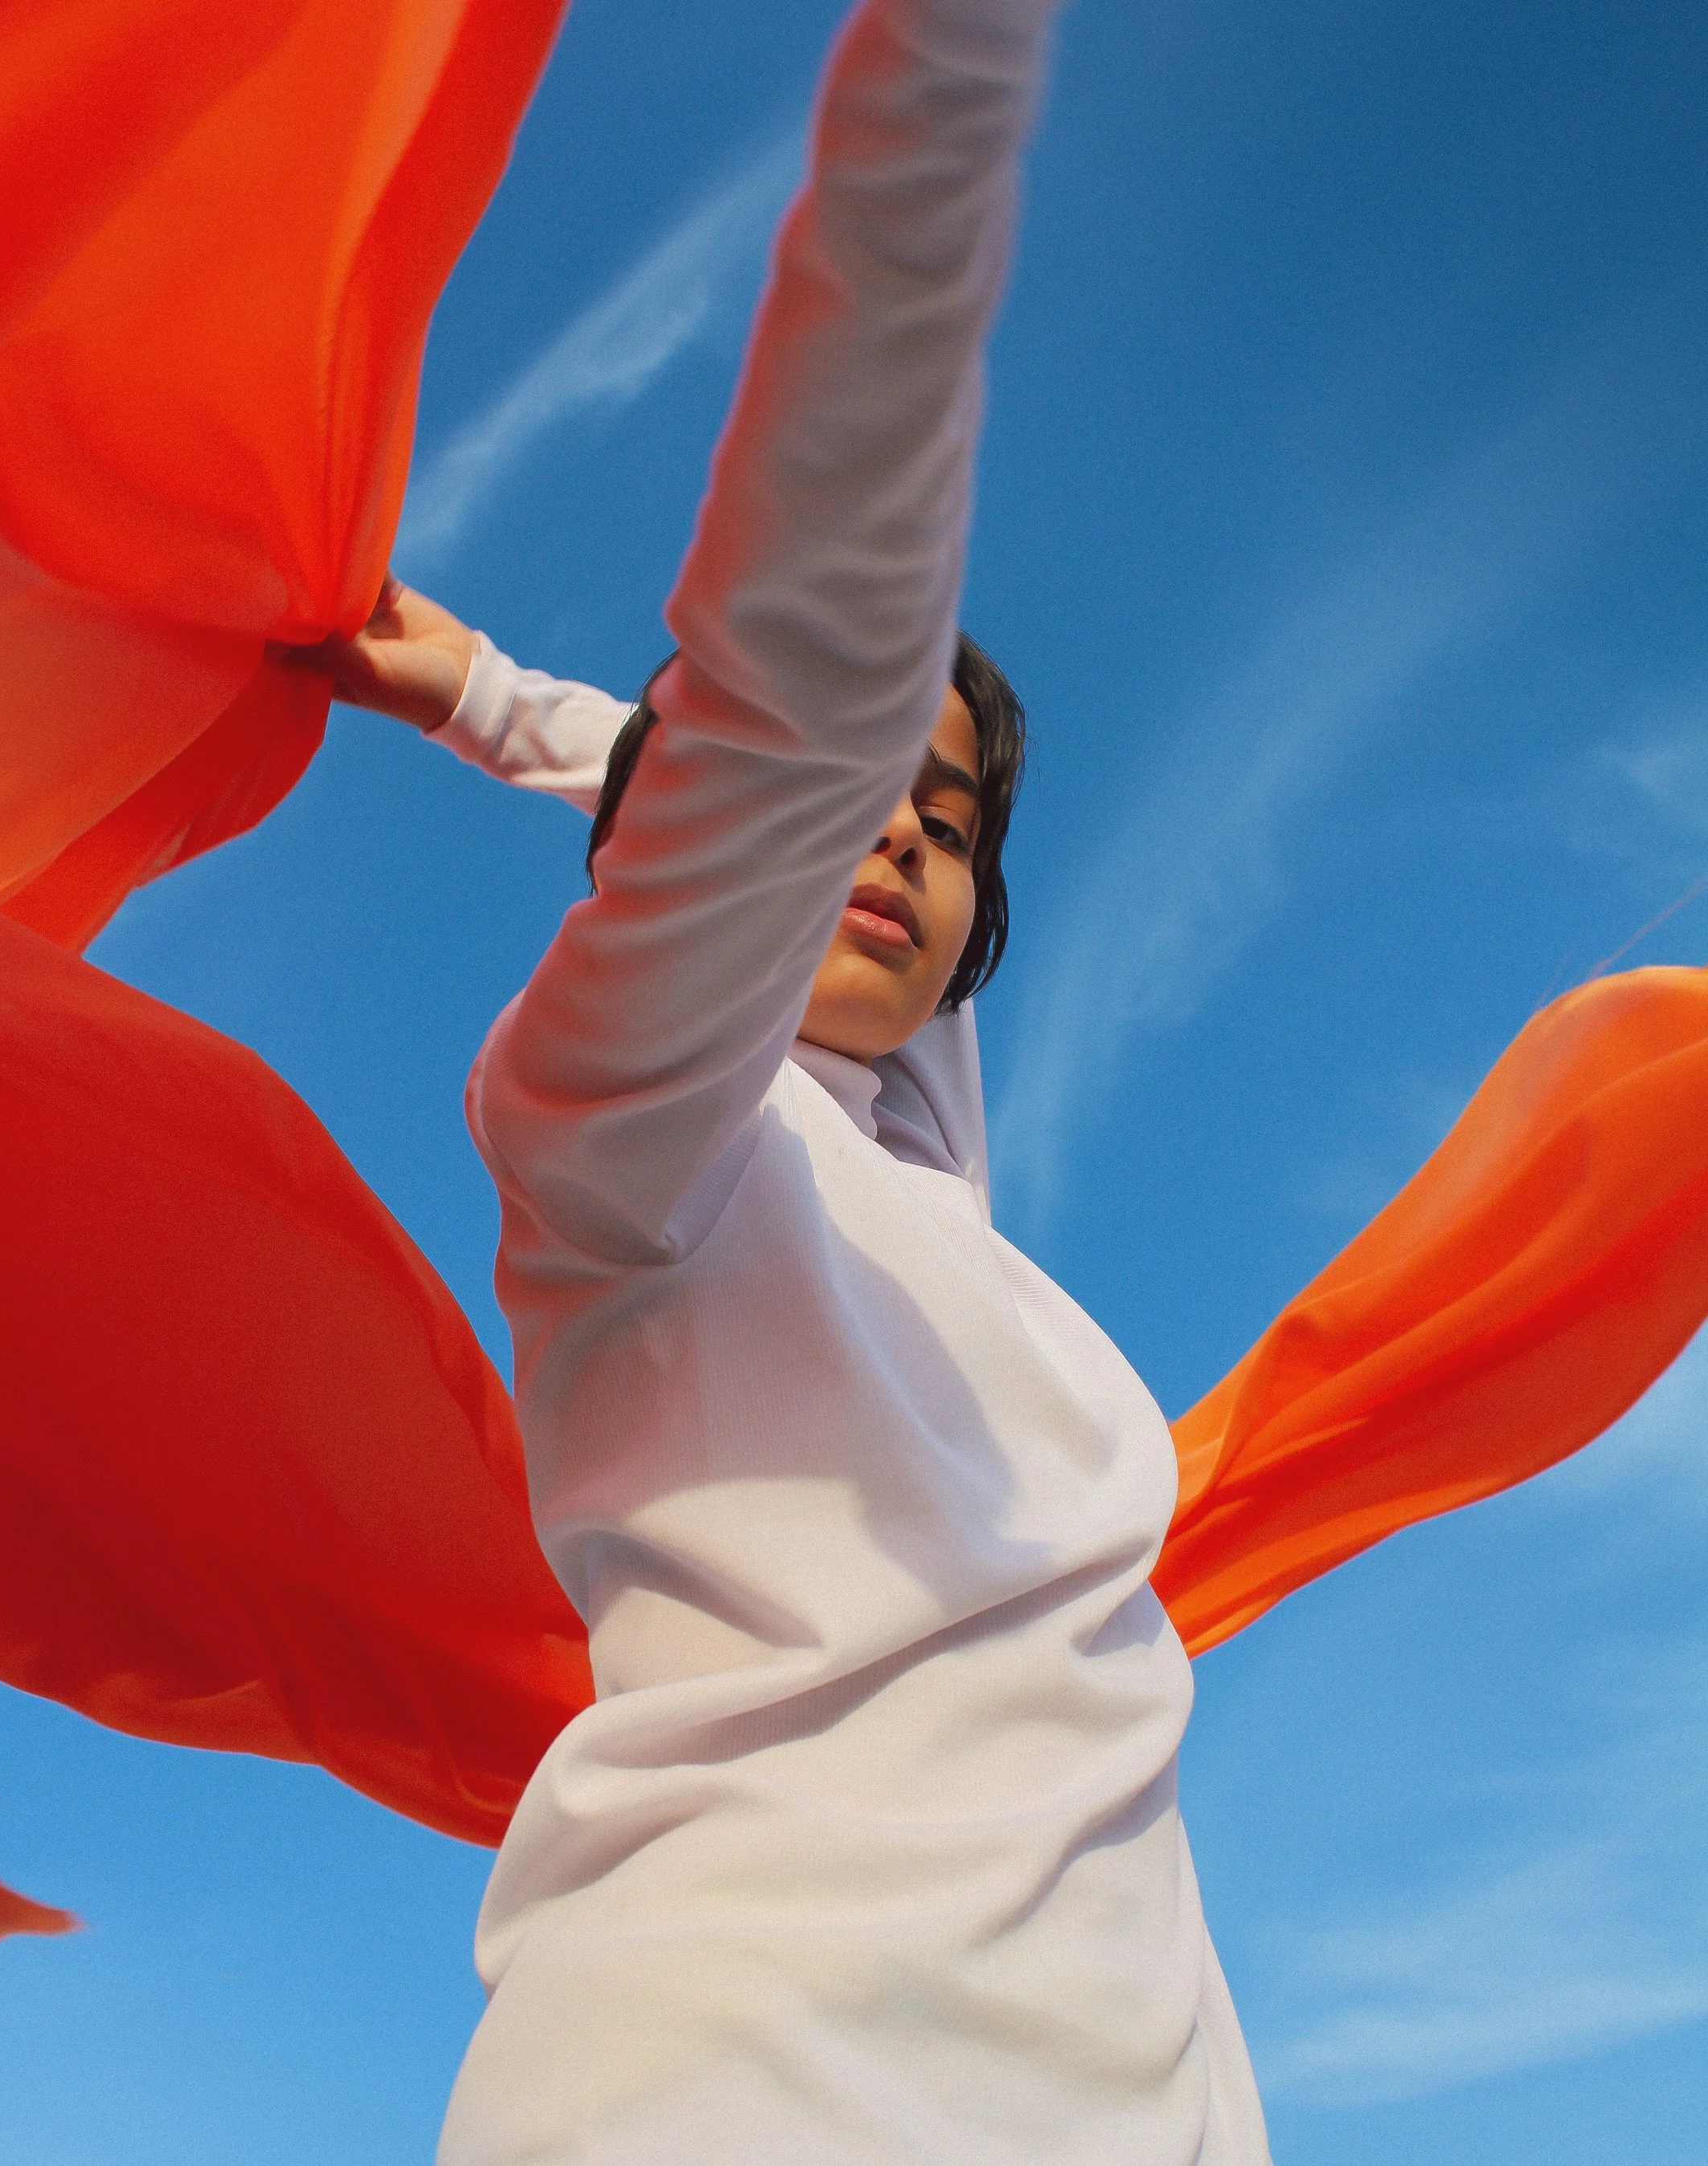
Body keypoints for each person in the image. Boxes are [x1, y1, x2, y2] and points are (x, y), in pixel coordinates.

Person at [308, 0, 1272, 2156]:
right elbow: (780, 716)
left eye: (953, 832)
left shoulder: (924, 1164)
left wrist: (488, 693)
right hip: (743, 2079)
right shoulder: (620, 1131)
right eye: (858, 794)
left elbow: (781, 784)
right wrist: (952, 70)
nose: (909, 845)